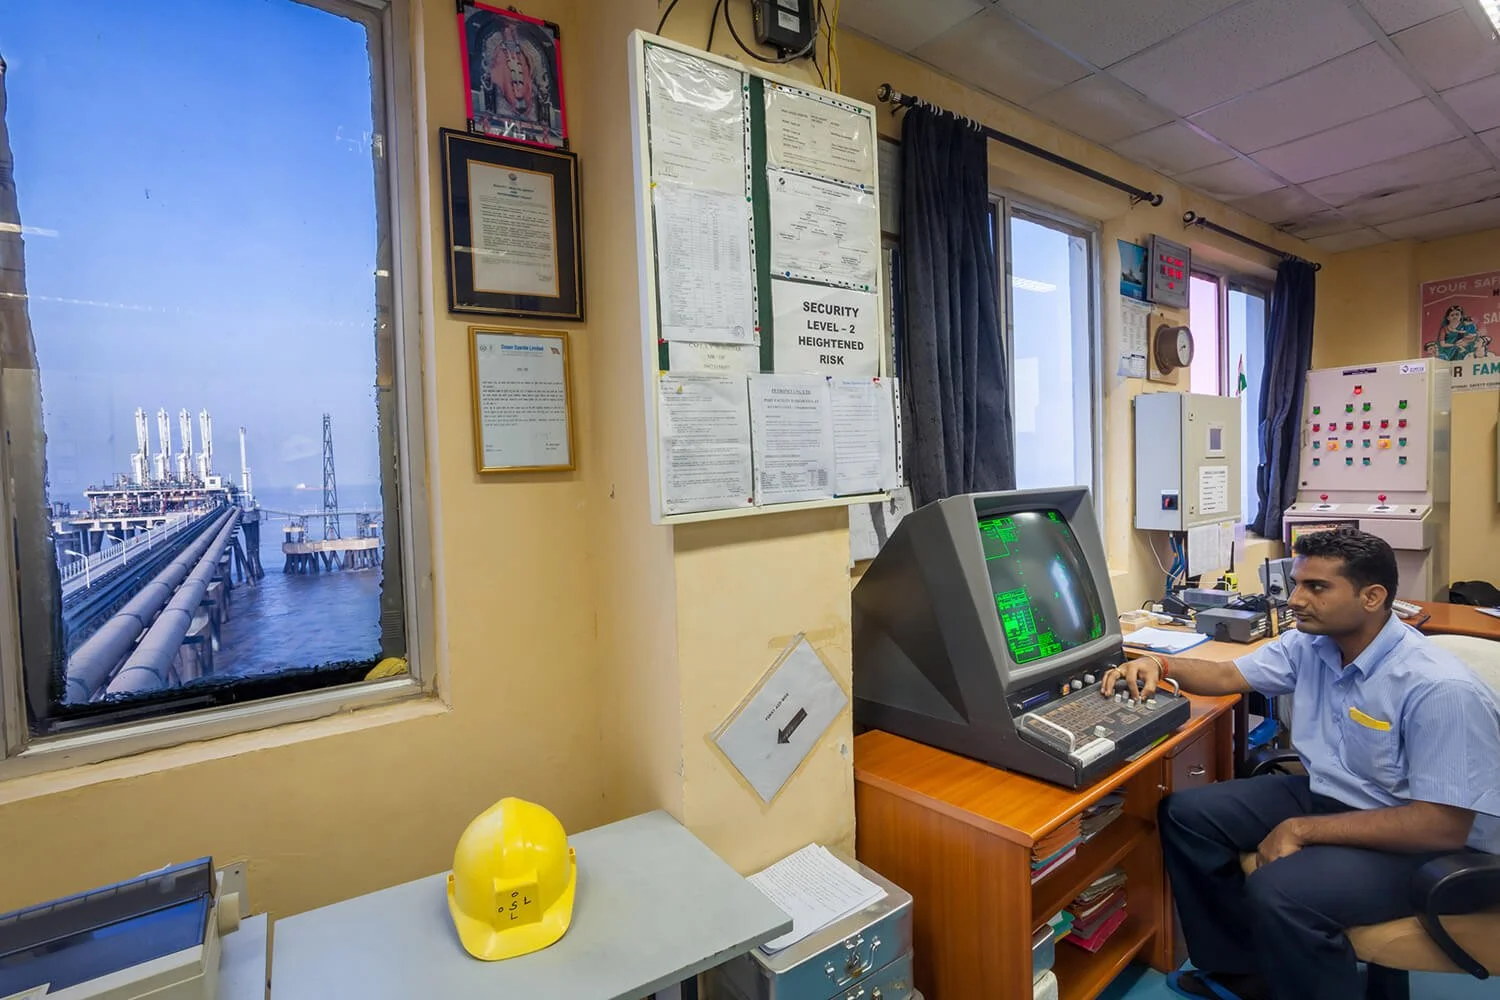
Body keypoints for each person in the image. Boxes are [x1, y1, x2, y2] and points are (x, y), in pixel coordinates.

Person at [1100, 528, 1500, 1000]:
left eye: (1316, 587)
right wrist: (1160, 666)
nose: (1295, 599)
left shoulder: (1440, 689)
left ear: (1372, 597)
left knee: (1281, 892)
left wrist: (1301, 830)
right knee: (1188, 815)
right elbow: (1227, 673)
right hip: (1342, 796)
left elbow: (1441, 826)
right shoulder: (1313, 644)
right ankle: (1241, 970)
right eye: (1297, 583)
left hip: (1431, 845)